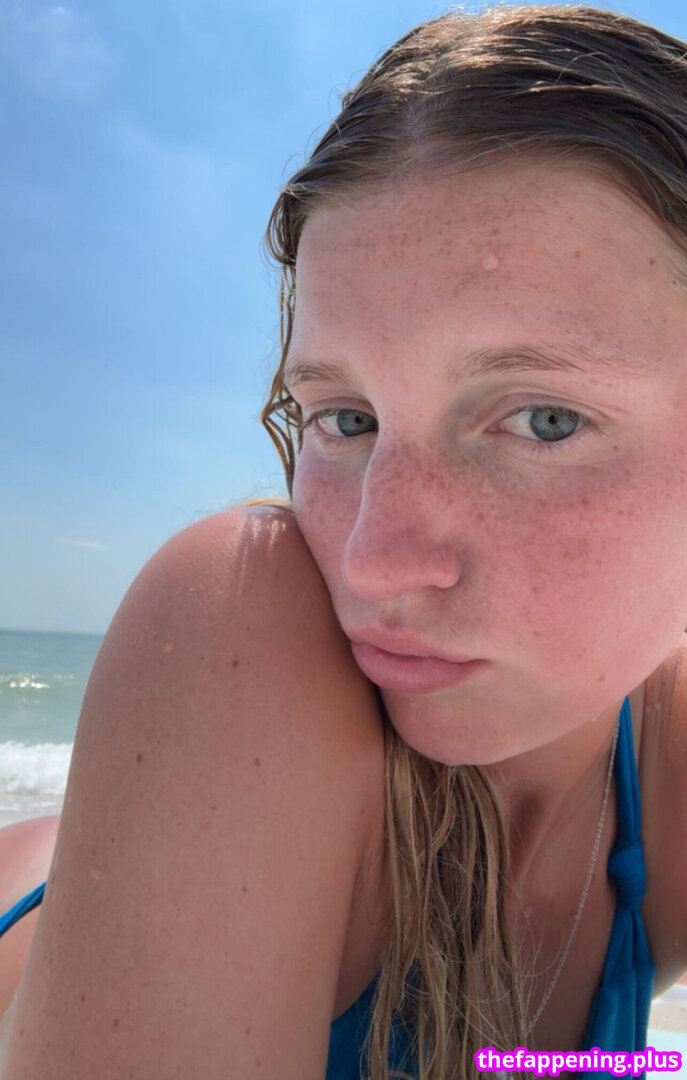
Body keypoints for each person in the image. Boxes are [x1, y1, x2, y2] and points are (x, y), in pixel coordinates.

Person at [2, 4, 687, 1078]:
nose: (369, 562)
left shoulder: (664, 767)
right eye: (346, 419)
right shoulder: (238, 614)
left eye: (546, 419)